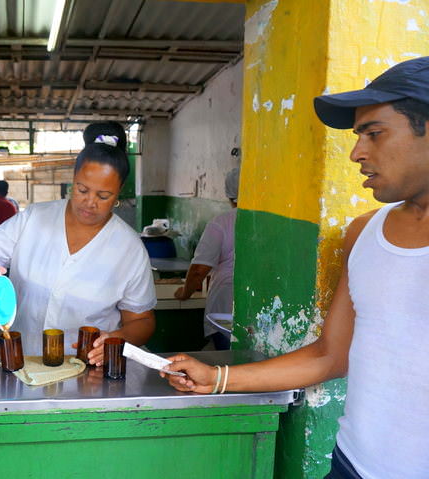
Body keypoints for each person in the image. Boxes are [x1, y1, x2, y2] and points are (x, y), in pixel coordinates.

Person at [161, 57, 429, 478]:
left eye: (374, 134)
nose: (358, 153)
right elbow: (329, 355)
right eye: (359, 136)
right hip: (349, 465)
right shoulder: (363, 235)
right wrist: (216, 378)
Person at [0, 122, 156, 360]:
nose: (90, 202)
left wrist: (118, 338)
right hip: (23, 363)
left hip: (87, 373)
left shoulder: (129, 248)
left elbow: (142, 321)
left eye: (103, 196)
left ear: (119, 192)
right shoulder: (33, 219)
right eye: (82, 190)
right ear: (73, 179)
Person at [174, 167, 239, 350]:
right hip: (261, 311)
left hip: (225, 309)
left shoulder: (221, 223)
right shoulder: (270, 222)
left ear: (229, 195)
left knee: (227, 366)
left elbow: (199, 271)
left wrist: (185, 293)